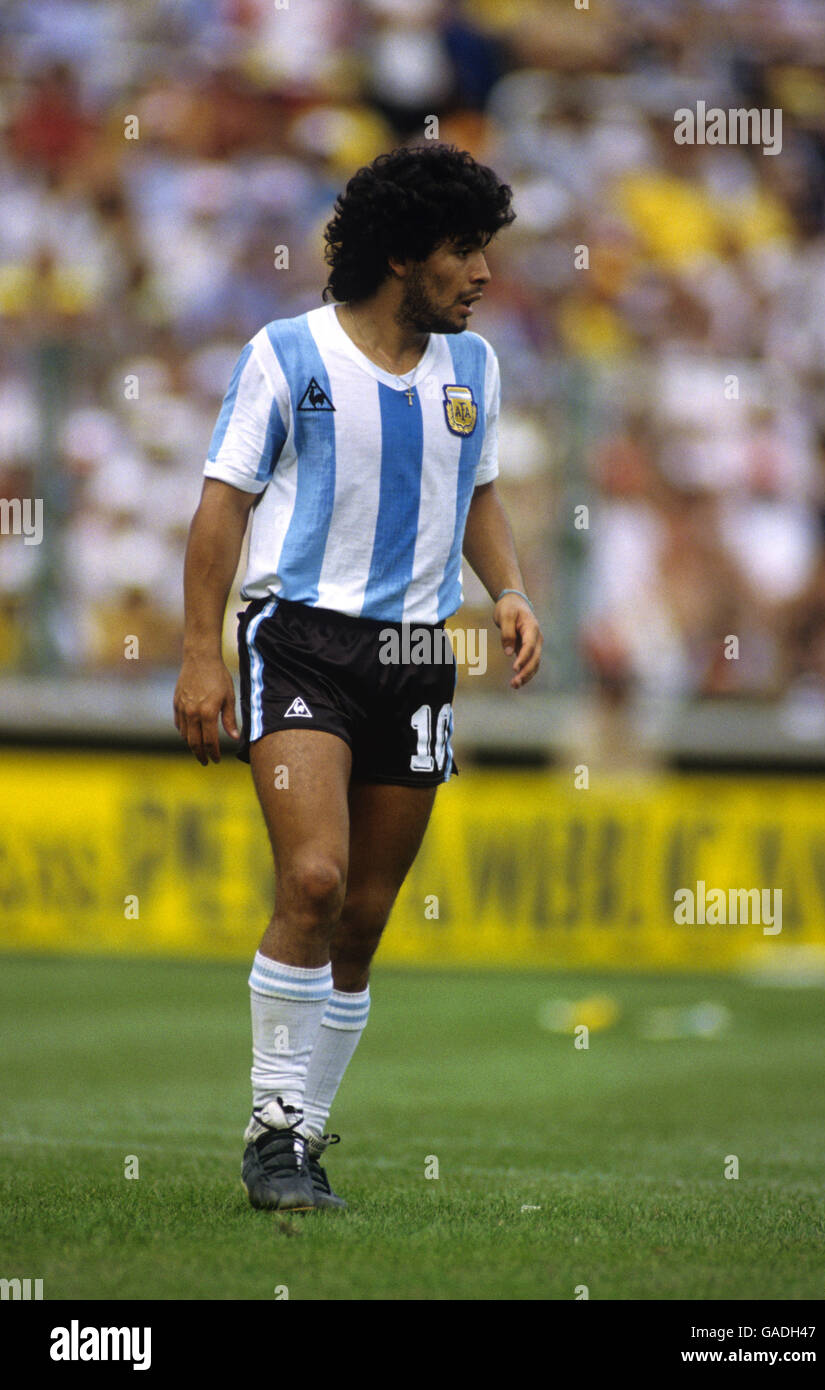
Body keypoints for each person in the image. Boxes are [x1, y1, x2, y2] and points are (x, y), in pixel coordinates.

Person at [173, 143, 543, 1212]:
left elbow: (477, 493)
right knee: (316, 880)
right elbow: (221, 505)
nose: (481, 273)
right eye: (463, 250)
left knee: (366, 916)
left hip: (417, 656)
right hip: (300, 640)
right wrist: (201, 652)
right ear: (399, 256)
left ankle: (302, 1136)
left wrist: (508, 589)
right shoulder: (287, 353)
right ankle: (274, 1139)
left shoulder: (473, 369)